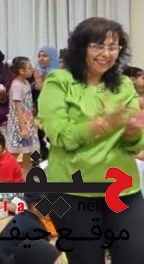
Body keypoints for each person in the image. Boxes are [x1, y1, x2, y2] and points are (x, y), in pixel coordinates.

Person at [38, 17, 144, 264]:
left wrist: (132, 130)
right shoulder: (59, 81)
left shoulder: (123, 84)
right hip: (71, 190)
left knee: (135, 256)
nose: (106, 54)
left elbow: (135, 145)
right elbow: (60, 136)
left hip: (122, 188)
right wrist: (103, 123)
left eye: (113, 47)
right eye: (98, 46)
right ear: (81, 47)